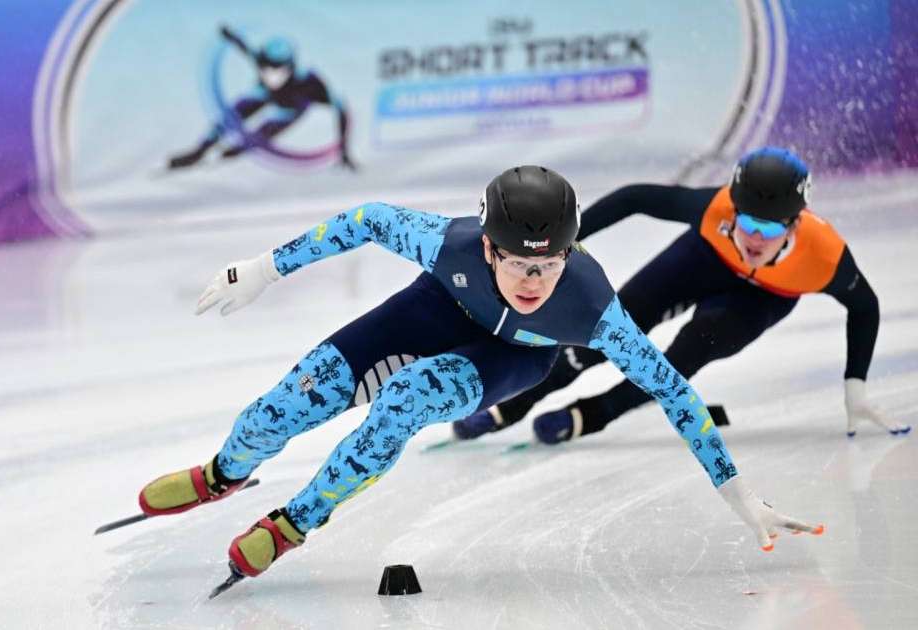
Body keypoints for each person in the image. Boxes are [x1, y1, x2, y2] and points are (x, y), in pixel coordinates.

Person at [136, 165, 820, 586]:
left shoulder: (592, 309)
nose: (533, 281)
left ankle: (294, 522)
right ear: (486, 245)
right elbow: (365, 219)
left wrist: (734, 490)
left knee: (402, 402)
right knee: (281, 408)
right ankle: (224, 473)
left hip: (511, 358)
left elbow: (674, 391)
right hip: (434, 310)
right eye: (519, 263)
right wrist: (261, 269)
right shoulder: (445, 242)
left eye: (548, 264)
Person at [451, 148, 910, 445]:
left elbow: (864, 307)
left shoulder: (824, 256)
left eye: (767, 229)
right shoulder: (716, 211)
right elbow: (633, 198)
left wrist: (856, 385)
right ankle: (512, 405)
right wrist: (563, 243)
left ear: (793, 225)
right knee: (607, 330)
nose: (752, 237)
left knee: (689, 351)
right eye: (746, 221)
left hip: (765, 296)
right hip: (703, 257)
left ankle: (596, 413)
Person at [166, 24, 355, 170]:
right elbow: (245, 47)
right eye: (265, 67)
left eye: (276, 68)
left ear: (290, 66)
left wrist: (343, 151)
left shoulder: (310, 83)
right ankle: (200, 150)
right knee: (231, 115)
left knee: (266, 129)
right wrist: (230, 35)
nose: (269, 73)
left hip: (291, 108)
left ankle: (243, 147)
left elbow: (341, 108)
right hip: (266, 95)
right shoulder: (261, 61)